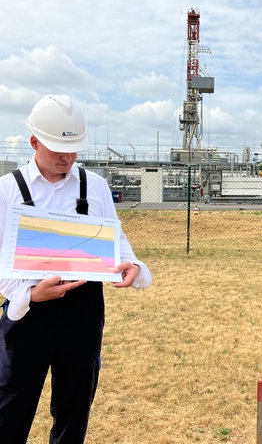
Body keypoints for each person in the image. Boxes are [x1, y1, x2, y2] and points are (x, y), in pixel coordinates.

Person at [0, 94, 152, 444]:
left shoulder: (94, 185)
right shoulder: (8, 191)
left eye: (73, 150)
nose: (67, 158)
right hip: (28, 313)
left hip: (82, 314)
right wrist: (29, 294)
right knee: (11, 407)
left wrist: (129, 264)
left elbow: (116, 239)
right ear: (34, 142)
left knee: (74, 408)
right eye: (57, 151)